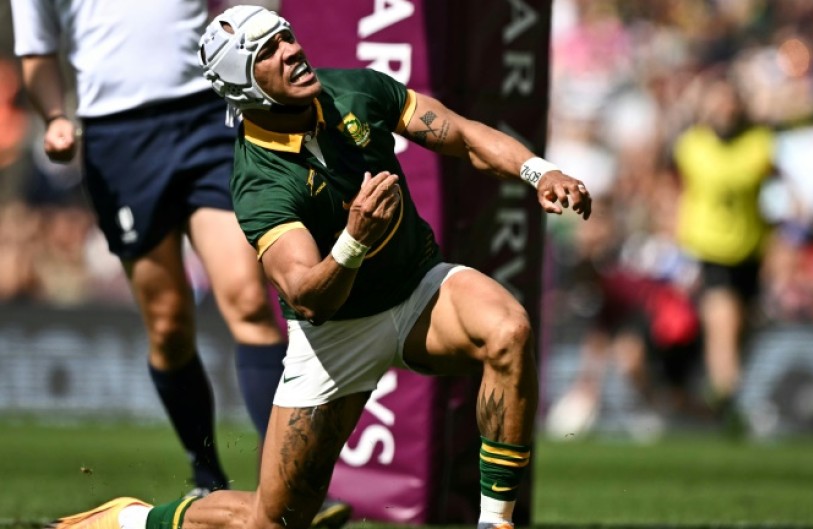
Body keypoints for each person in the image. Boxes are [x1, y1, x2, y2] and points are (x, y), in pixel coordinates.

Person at [43, 5, 592, 529]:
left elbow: (463, 134)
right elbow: (310, 296)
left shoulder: (354, 88)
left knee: (509, 330)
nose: (291, 50)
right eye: (268, 50)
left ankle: (495, 521)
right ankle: (132, 519)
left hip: (418, 287)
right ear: (244, 84)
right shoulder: (258, 183)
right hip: (334, 338)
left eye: (286, 36)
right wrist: (354, 241)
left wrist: (536, 171)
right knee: (275, 520)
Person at [10, 1, 350, 525]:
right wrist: (55, 117)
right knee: (168, 324)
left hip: (205, 115)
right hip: (117, 137)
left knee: (246, 300)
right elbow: (37, 53)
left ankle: (291, 485)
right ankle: (206, 478)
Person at [671, 72, 774, 428]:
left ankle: (723, 394)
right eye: (717, 101)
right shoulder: (693, 145)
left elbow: (747, 173)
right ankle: (729, 401)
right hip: (708, 248)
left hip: (749, 249)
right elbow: (728, 177)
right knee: (723, 321)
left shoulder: (758, 141)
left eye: (730, 101)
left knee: (742, 327)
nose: (724, 108)